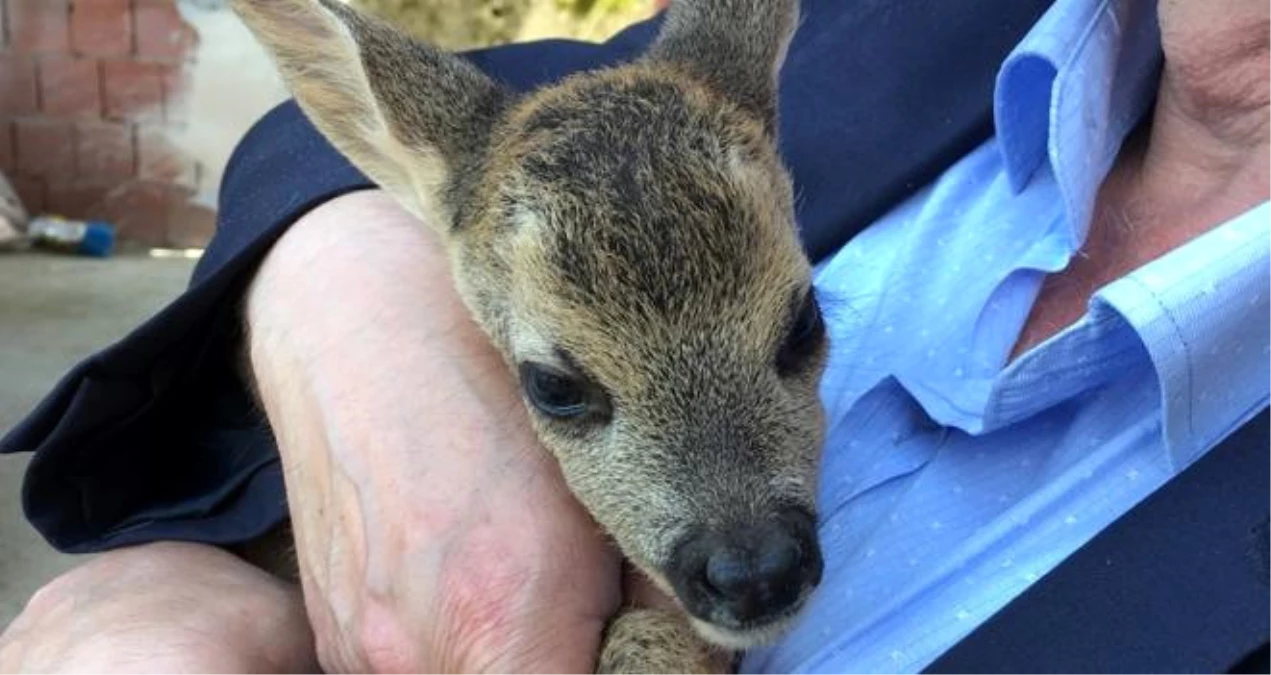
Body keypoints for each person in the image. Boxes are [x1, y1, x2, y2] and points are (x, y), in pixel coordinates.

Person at [2, 0, 1268, 671]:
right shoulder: (936, 18)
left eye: (792, 337)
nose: (747, 547)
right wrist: (338, 285)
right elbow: (549, 107)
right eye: (570, 393)